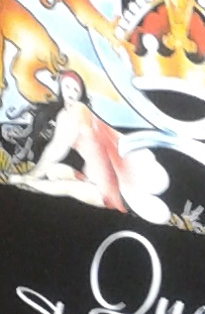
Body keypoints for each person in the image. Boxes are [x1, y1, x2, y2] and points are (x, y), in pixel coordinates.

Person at [20, 70, 169, 226]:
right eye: (67, 87)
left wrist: (29, 177)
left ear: (80, 93)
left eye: (75, 89)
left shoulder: (76, 111)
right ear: (61, 86)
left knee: (64, 187)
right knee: (53, 171)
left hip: (107, 187)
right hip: (96, 175)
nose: (71, 92)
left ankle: (28, 183)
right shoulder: (72, 112)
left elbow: (56, 149)